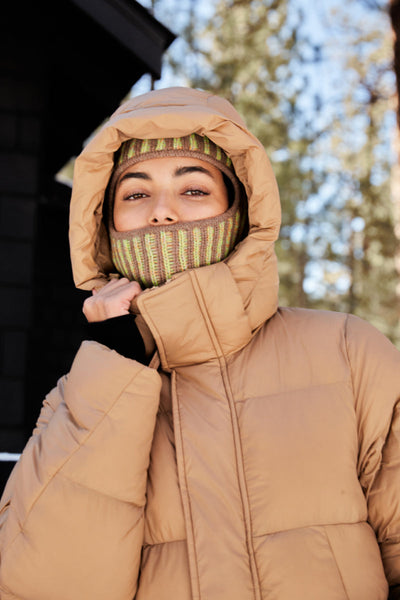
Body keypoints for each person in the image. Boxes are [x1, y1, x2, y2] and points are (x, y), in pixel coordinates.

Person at [0, 86, 399, 600]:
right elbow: (45, 583)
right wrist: (115, 368)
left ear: (240, 211)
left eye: (193, 190)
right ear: (105, 223)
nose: (161, 213)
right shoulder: (83, 392)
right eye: (136, 194)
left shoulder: (347, 352)